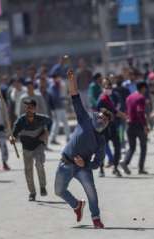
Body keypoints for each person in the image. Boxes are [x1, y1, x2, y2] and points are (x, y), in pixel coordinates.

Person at [54, 70, 111, 229]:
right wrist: (71, 80)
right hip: (65, 162)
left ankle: (96, 218)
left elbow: (97, 162)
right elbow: (75, 96)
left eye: (106, 121)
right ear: (97, 115)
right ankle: (77, 205)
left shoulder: (101, 140)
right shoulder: (85, 118)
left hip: (82, 168)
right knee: (59, 191)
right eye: (101, 117)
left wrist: (84, 163)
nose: (102, 121)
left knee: (91, 193)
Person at [10, 99, 52, 202]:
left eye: (31, 107)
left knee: (39, 164)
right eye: (27, 107)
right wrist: (12, 138)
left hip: (38, 145)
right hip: (26, 147)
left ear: (35, 108)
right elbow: (14, 132)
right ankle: (32, 193)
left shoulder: (42, 119)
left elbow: (50, 122)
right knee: (28, 170)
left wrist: (46, 133)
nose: (28, 109)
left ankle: (42, 186)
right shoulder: (21, 120)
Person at [97, 78, 125, 177]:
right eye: (106, 87)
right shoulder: (102, 98)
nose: (108, 88)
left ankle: (116, 167)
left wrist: (123, 116)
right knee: (102, 148)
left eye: (110, 87)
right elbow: (97, 111)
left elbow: (115, 110)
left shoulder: (112, 97)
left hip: (113, 126)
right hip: (104, 128)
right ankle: (101, 168)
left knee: (117, 146)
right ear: (103, 88)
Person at [120, 81, 149, 175]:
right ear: (143, 88)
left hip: (129, 124)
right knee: (143, 146)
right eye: (145, 88)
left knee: (132, 147)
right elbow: (140, 112)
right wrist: (145, 126)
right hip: (138, 125)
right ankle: (141, 168)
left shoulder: (129, 97)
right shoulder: (141, 97)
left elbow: (127, 110)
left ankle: (125, 162)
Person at [48, 74, 70, 145]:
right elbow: (54, 97)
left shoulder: (61, 85)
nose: (58, 79)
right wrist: (53, 110)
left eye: (58, 78)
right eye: (56, 78)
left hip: (62, 107)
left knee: (65, 122)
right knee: (56, 124)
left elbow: (65, 95)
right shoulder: (52, 86)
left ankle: (68, 137)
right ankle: (52, 139)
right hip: (55, 108)